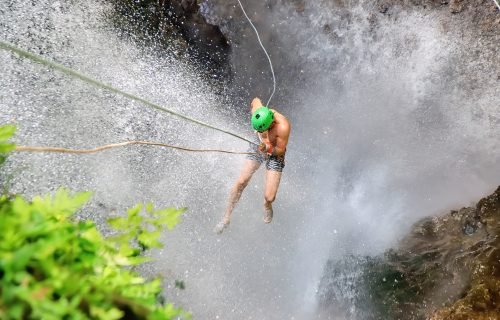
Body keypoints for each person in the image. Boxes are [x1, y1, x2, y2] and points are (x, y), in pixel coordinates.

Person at [214, 97, 291, 234]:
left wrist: (267, 148)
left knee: (269, 197)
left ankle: (267, 205)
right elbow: (255, 100)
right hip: (258, 145)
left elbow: (279, 150)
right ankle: (226, 217)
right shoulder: (259, 111)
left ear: (272, 123)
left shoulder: (283, 126)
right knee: (241, 181)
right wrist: (260, 138)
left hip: (274, 153)